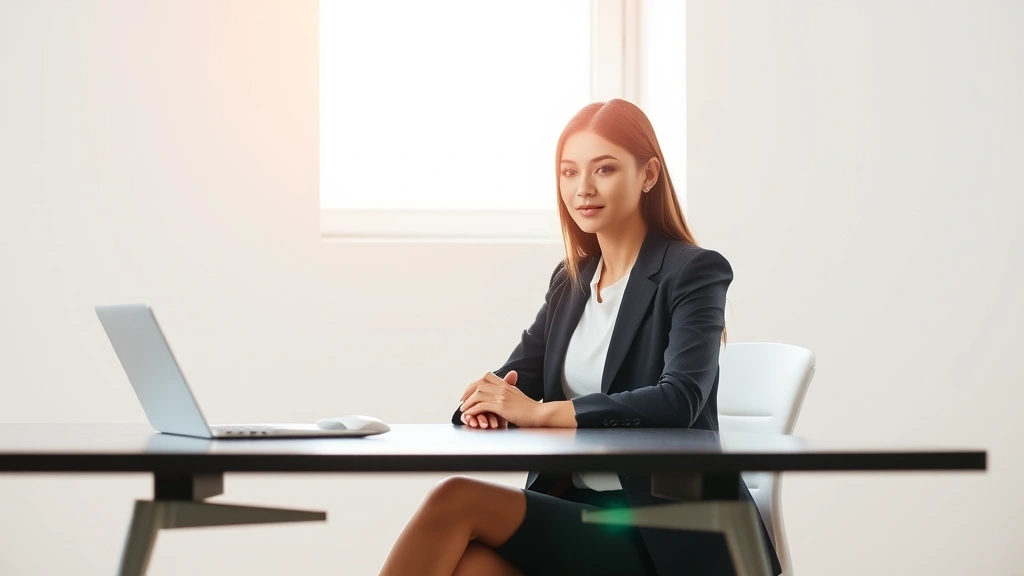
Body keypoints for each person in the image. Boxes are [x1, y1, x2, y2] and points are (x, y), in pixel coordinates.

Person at [379, 99, 781, 576]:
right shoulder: (571, 282)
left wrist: (539, 413)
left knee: (456, 499)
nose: (582, 188)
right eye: (569, 173)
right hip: (582, 511)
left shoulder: (693, 272)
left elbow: (679, 400)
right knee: (472, 568)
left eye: (604, 169)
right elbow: (514, 382)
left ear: (648, 174)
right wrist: (485, 404)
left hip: (667, 531)